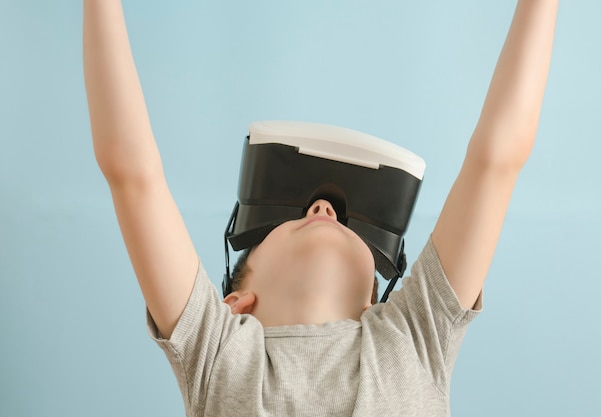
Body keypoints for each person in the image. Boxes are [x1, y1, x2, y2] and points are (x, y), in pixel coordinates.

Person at [83, 0, 559, 416]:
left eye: (324, 214)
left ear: (375, 302)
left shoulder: (411, 335)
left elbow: (496, 158)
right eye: (300, 216)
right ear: (235, 304)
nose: (322, 209)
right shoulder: (220, 351)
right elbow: (133, 174)